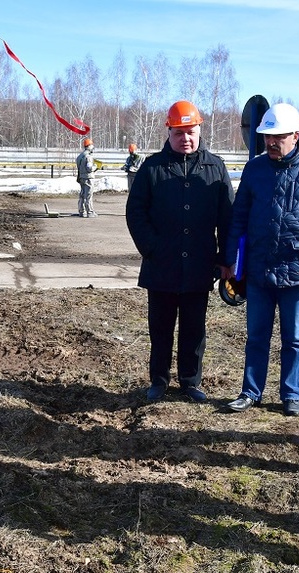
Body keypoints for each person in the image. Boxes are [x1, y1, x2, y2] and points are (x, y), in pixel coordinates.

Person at [222, 103, 299, 417]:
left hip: (298, 270)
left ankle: (292, 395)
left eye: (278, 136)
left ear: (296, 134)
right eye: (267, 137)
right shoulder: (255, 169)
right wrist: (232, 260)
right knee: (256, 335)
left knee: (294, 338)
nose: (271, 142)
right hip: (259, 268)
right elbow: (239, 217)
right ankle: (251, 392)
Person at [126, 99, 235, 403]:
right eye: (179, 133)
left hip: (200, 265)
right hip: (161, 265)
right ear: (169, 132)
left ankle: (191, 381)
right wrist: (152, 247)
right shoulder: (152, 167)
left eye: (191, 131)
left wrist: (226, 259)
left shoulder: (215, 167)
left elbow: (227, 216)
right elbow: (136, 212)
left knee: (194, 329)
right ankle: (158, 381)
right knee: (160, 328)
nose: (185, 138)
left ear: (200, 129)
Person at [76, 138, 98, 218]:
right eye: (92, 146)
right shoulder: (88, 157)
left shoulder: (80, 156)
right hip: (88, 178)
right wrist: (95, 167)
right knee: (88, 195)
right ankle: (90, 212)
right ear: (89, 146)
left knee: (82, 194)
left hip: (81, 177)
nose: (93, 147)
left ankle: (81, 211)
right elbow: (89, 168)